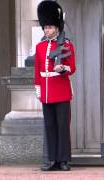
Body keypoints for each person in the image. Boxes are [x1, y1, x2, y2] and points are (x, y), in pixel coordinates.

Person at [34, 1, 76, 171]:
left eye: (50, 27)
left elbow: (72, 67)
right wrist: (38, 89)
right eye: (45, 27)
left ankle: (64, 160)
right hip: (46, 91)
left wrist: (62, 68)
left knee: (62, 125)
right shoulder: (40, 46)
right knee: (50, 126)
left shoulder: (66, 45)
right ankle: (52, 159)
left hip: (61, 90)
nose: (47, 30)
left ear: (57, 28)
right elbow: (37, 70)